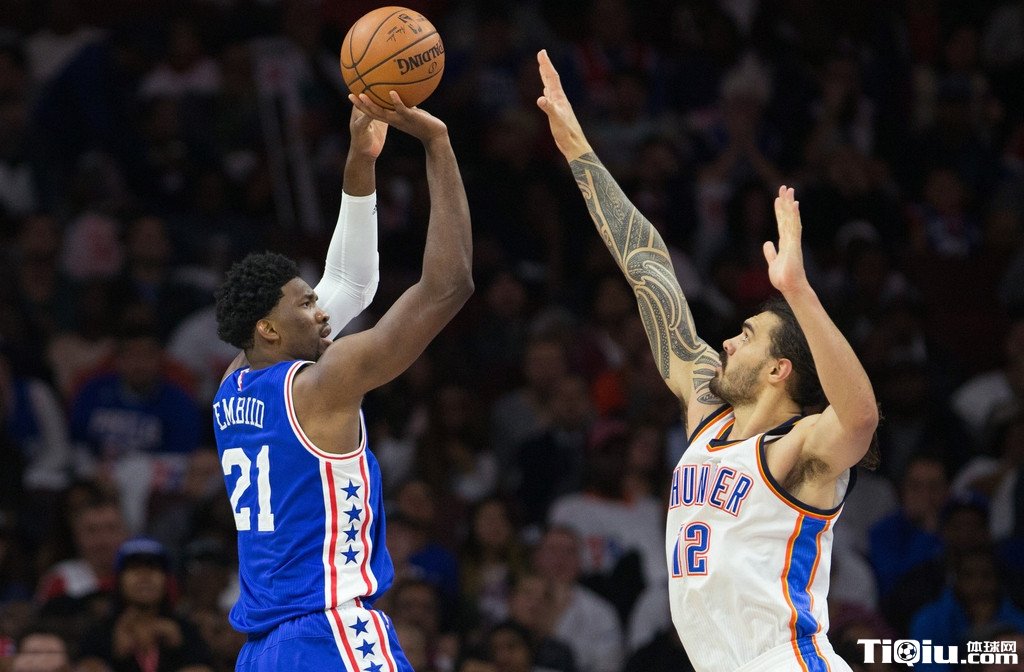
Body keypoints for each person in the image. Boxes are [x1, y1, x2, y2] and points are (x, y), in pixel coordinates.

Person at [535, 49, 880, 672]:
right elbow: (648, 269)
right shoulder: (707, 413)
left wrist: (798, 293)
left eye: (746, 336)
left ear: (779, 370)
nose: (726, 343)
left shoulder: (798, 451)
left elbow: (859, 416)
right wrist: (579, 152)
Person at [211, 91, 472, 671]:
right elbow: (448, 286)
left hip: (262, 651)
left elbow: (350, 283)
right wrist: (437, 144)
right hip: (328, 630)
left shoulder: (233, 383)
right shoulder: (323, 384)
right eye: (306, 305)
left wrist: (361, 159)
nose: (323, 313)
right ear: (269, 329)